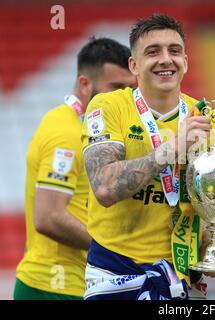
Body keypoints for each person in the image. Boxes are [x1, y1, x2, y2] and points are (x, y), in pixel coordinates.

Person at [81, 14, 211, 300]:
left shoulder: (204, 117)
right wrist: (173, 147)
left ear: (186, 62)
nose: (166, 59)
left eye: (174, 51)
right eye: (153, 52)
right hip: (115, 273)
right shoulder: (108, 105)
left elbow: (209, 200)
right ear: (134, 65)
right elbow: (104, 188)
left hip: (182, 274)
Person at [14, 37, 136, 300]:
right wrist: (116, 254)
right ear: (84, 84)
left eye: (130, 89)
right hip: (54, 287)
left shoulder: (95, 130)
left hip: (80, 284)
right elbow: (48, 217)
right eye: (115, 87)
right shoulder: (65, 132)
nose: (124, 97)